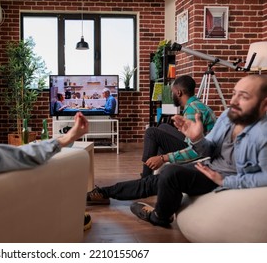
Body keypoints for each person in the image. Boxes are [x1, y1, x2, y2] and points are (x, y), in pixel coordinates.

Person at [102, 74, 267, 228]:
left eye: (244, 96)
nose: (234, 101)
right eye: (234, 94)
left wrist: (225, 181)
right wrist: (197, 139)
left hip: (221, 177)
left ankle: (159, 217)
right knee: (153, 181)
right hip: (207, 166)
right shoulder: (228, 116)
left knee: (169, 172)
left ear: (264, 104)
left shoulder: (263, 134)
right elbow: (209, 149)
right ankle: (103, 192)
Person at [141, 74, 216, 177]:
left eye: (173, 92)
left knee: (151, 132)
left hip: (200, 150)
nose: (172, 95)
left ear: (179, 92)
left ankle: (145, 177)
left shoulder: (192, 110)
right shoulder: (196, 104)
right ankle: (155, 169)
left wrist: (164, 157)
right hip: (201, 144)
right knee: (163, 127)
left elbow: (193, 148)